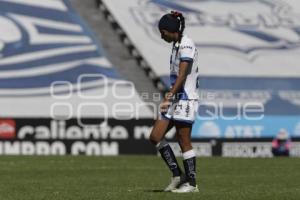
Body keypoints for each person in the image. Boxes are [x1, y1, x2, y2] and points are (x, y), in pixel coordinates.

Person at [149, 11, 200, 193]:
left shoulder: (186, 45)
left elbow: (183, 75)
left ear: (171, 31)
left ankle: (192, 183)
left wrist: (168, 96)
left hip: (185, 98)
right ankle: (178, 175)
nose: (161, 35)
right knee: (155, 136)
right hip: (176, 98)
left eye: (163, 32)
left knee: (183, 139)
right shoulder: (177, 44)